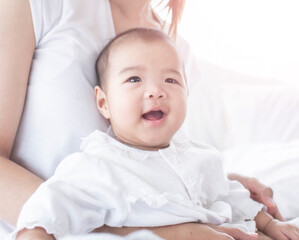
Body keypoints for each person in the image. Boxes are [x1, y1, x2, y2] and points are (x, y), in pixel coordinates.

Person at [0, 1, 281, 239]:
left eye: (171, 81)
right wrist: (160, 230)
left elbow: (150, 166)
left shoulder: (176, 50)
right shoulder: (38, 7)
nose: (156, 91)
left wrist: (218, 182)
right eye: (133, 79)